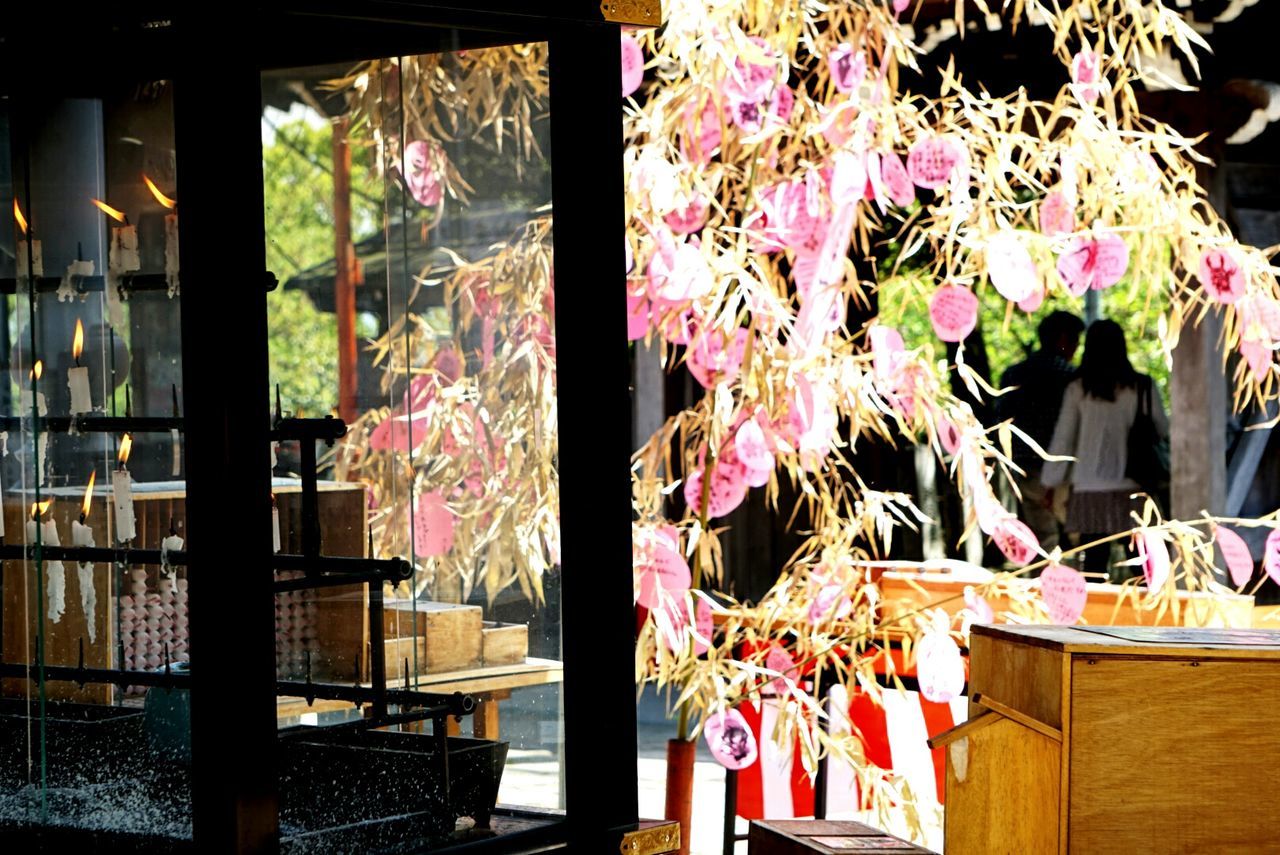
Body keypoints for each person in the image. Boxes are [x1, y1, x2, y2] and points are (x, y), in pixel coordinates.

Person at [1040, 319, 1169, 578]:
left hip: (1089, 488)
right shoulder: (1142, 386)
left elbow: (1064, 440)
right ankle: (1142, 612)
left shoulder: (1079, 389)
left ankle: (1094, 614)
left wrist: (1051, 481)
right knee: (1140, 562)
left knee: (1094, 563)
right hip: (1134, 486)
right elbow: (1163, 431)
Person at [996, 310, 1085, 553]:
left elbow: (1000, 421)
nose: (1077, 347)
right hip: (1066, 471)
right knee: (1076, 540)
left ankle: (1043, 587)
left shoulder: (1013, 374)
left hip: (1024, 468)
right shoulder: (1073, 377)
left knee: (1039, 539)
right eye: (1075, 340)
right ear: (1063, 339)